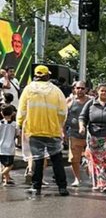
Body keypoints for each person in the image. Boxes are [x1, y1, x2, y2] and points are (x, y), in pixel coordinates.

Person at [16, 65, 69, 197]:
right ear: (47, 76)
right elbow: (63, 112)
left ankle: (36, 187)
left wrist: (19, 125)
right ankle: (62, 187)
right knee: (56, 160)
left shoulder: (28, 90)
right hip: (53, 131)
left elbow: (21, 111)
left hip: (34, 130)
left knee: (38, 160)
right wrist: (59, 125)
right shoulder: (56, 91)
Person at [65, 81, 91, 186]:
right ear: (74, 89)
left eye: (82, 88)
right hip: (73, 133)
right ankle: (77, 179)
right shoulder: (69, 100)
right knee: (74, 158)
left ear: (86, 89)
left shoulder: (91, 101)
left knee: (90, 157)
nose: (80, 90)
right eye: (78, 88)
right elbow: (64, 117)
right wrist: (63, 132)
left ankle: (92, 177)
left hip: (89, 134)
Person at [0, 105, 17, 185]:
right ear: (12, 114)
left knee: (4, 164)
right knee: (10, 165)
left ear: (2, 113)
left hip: (1, 146)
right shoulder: (14, 124)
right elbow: (17, 134)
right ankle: (2, 174)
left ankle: (6, 180)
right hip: (10, 147)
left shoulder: (0, 123)